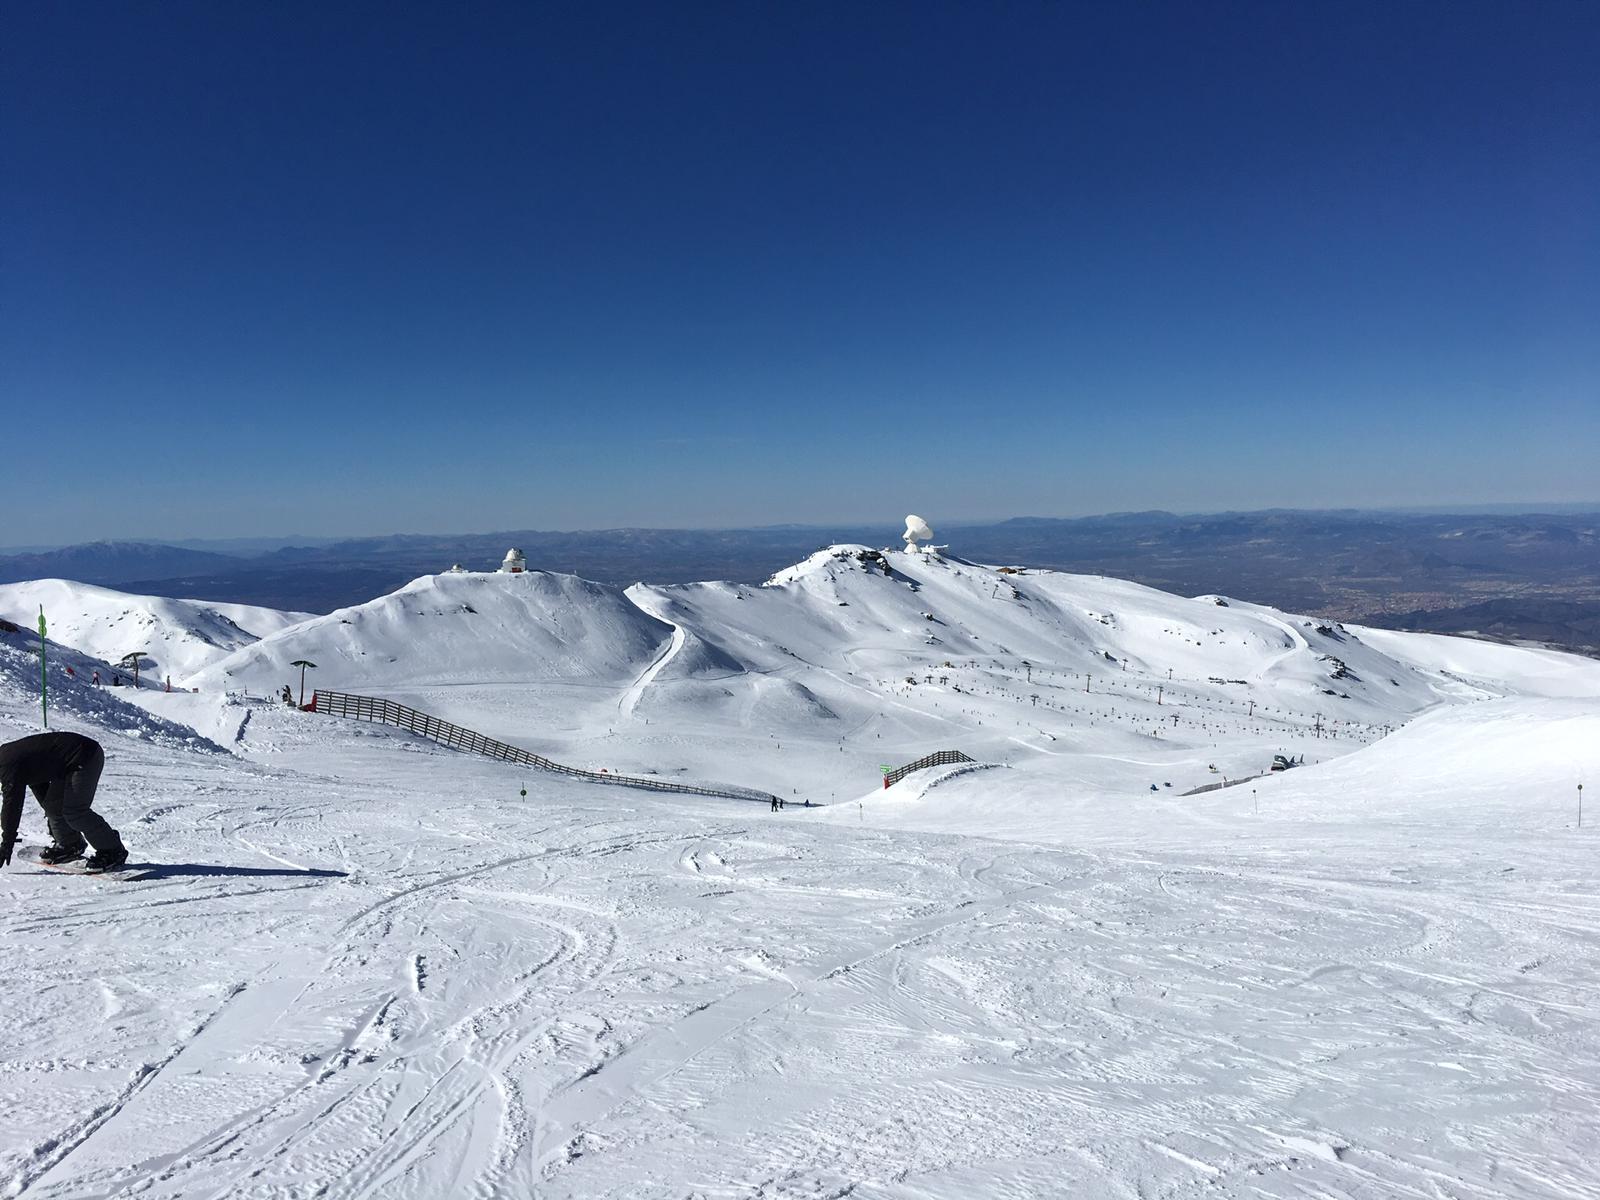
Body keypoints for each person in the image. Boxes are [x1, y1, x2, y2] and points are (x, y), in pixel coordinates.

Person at [0, 731, 128, 871]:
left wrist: (7, 843)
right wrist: (49, 810)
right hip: (67, 763)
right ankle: (70, 843)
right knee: (53, 807)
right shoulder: (7, 759)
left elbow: (12, 803)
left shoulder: (7, 765)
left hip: (85, 755)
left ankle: (112, 849)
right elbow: (36, 779)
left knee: (74, 811)